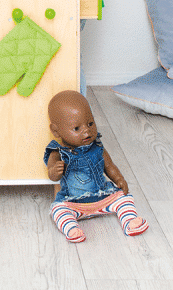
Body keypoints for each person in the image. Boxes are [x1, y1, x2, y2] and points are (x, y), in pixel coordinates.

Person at [44, 90, 148, 243]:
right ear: (56, 131)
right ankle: (71, 229)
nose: (87, 131)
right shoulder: (58, 152)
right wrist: (55, 171)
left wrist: (119, 179)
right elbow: (52, 176)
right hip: (73, 203)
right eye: (77, 128)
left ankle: (129, 221)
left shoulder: (97, 147)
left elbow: (109, 165)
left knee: (124, 197)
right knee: (58, 210)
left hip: (103, 197)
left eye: (90, 124)